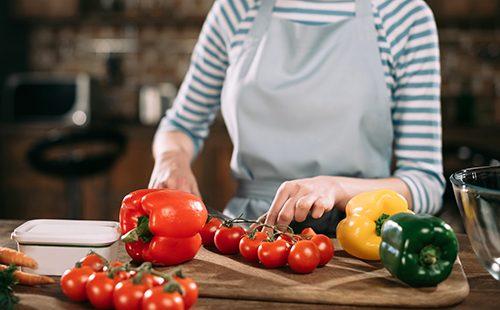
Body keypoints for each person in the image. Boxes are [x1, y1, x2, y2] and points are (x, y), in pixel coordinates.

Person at [149, 0, 444, 236]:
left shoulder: (405, 16)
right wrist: (172, 159)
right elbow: (181, 125)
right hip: (248, 233)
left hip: (359, 237)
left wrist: (337, 189)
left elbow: (425, 182)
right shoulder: (237, 8)